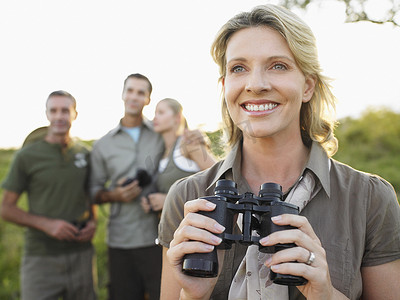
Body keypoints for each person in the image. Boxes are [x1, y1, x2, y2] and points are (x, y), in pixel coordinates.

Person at [158, 4, 400, 300]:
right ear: (225, 86)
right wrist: (193, 295)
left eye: (278, 65)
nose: (255, 84)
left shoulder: (368, 199)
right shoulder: (188, 196)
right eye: (238, 68)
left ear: (308, 86)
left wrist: (325, 294)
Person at [1, 90, 97, 300]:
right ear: (46, 114)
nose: (59, 116)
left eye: (65, 110)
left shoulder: (84, 153)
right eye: (53, 110)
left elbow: (90, 194)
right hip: (41, 258)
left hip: (81, 255)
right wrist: (47, 225)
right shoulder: (27, 156)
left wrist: (93, 222)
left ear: (75, 114)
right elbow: (6, 209)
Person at [89, 73, 165, 300]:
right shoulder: (103, 145)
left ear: (148, 99)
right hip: (121, 240)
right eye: (130, 90)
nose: (134, 96)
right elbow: (92, 190)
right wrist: (114, 195)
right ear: (123, 94)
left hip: (159, 236)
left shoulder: (161, 135)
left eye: (141, 92)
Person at [141, 98, 216, 213]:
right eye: (155, 113)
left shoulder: (189, 144)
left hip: (194, 227)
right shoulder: (161, 153)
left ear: (177, 118)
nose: (155, 117)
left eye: (161, 112)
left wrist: (167, 200)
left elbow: (220, 179)